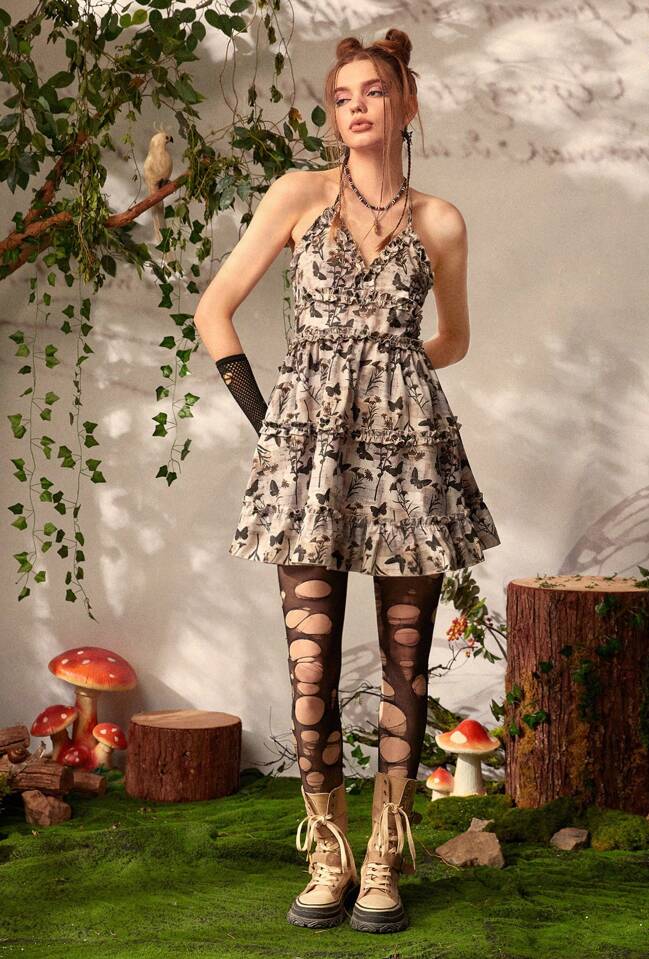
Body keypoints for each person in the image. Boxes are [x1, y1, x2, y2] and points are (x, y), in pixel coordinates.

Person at [194, 27, 501, 935]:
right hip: (309, 464)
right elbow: (215, 311)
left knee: (406, 666)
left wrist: (390, 381)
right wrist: (278, 425)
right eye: (341, 96)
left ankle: (383, 858)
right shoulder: (298, 195)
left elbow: (454, 340)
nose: (356, 107)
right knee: (311, 669)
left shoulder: (440, 220)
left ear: (407, 104)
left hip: (411, 461)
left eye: (373, 91)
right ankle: (327, 852)